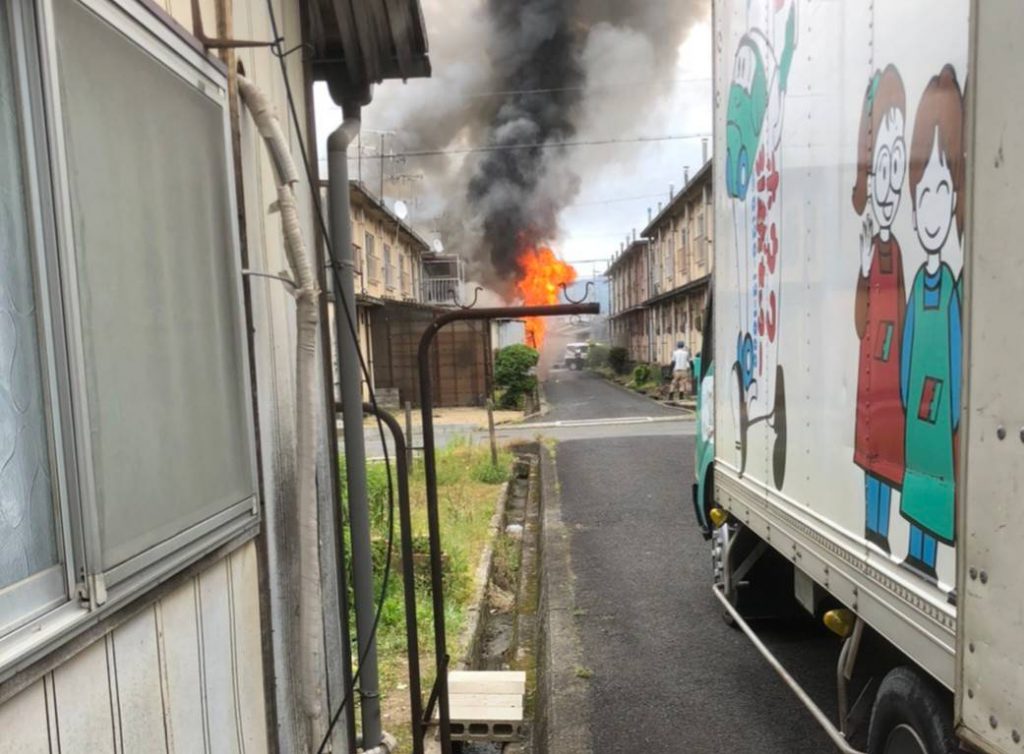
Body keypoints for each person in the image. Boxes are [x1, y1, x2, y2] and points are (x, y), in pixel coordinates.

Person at [900, 65, 964, 581]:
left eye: (943, 192)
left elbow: (960, 354)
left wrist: (953, 408)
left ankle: (928, 561)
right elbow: (905, 349)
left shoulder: (950, 291)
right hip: (918, 408)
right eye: (924, 195)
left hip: (941, 410)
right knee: (918, 485)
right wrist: (904, 395)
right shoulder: (918, 282)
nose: (933, 209)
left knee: (935, 485)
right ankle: (917, 557)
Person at [850, 65, 908, 554]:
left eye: (896, 164)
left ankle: (888, 533)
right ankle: (874, 527)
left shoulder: (898, 253)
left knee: (891, 457)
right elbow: (858, 318)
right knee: (872, 457)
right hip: (874, 372)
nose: (887, 181)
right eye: (877, 168)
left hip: (897, 380)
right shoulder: (868, 252)